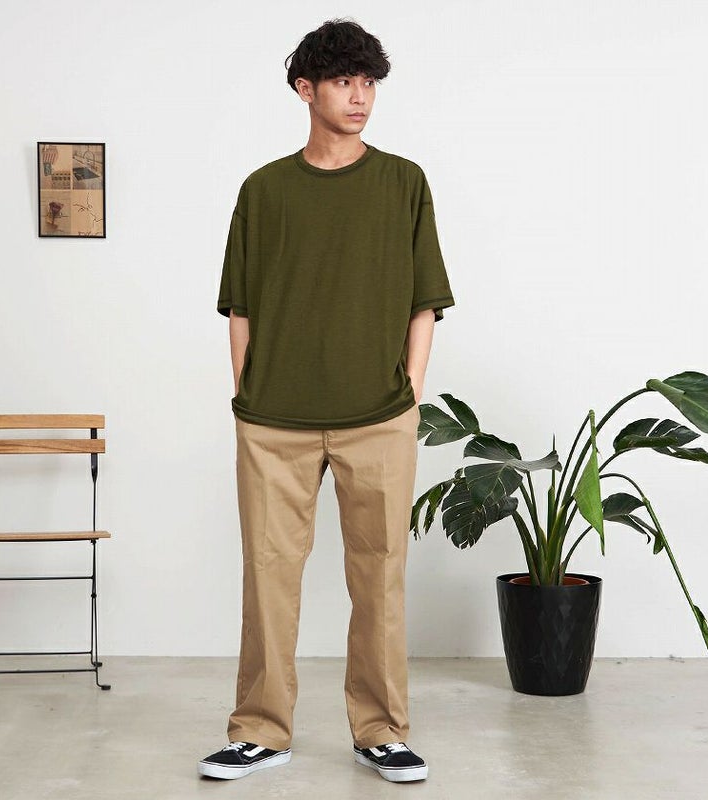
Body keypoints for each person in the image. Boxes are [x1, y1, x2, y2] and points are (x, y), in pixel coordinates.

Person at [199, 18, 455, 784]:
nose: (360, 96)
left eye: (369, 82)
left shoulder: (403, 183)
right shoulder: (264, 190)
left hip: (379, 417)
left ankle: (381, 730)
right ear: (305, 89)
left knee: (380, 577)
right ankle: (259, 730)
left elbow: (425, 300)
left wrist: (410, 395)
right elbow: (240, 305)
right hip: (272, 424)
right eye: (344, 81)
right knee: (267, 577)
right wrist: (247, 394)